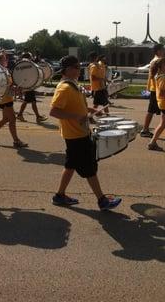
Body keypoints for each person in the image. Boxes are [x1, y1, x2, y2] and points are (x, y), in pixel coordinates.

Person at [49, 55, 122, 210]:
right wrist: (76, 117)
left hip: (77, 133)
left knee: (70, 165)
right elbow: (54, 111)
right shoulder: (64, 88)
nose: (79, 69)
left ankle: (59, 195)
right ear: (68, 69)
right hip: (76, 135)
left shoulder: (72, 85)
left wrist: (92, 110)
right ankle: (102, 200)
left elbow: (76, 106)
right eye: (76, 67)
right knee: (89, 168)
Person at [0, 53, 28, 148]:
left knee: (5, 119)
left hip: (6, 98)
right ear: (0, 61)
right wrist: (13, 89)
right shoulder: (0, 72)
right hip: (5, 99)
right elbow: (2, 86)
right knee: (12, 120)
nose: (7, 61)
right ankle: (16, 141)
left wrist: (16, 88)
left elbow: (8, 85)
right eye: (5, 59)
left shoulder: (5, 71)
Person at [16, 52, 47, 123]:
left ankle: (21, 115)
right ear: (28, 57)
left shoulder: (24, 64)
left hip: (28, 85)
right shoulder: (26, 64)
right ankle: (37, 117)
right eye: (31, 56)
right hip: (28, 86)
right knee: (31, 101)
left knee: (29, 101)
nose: (32, 58)